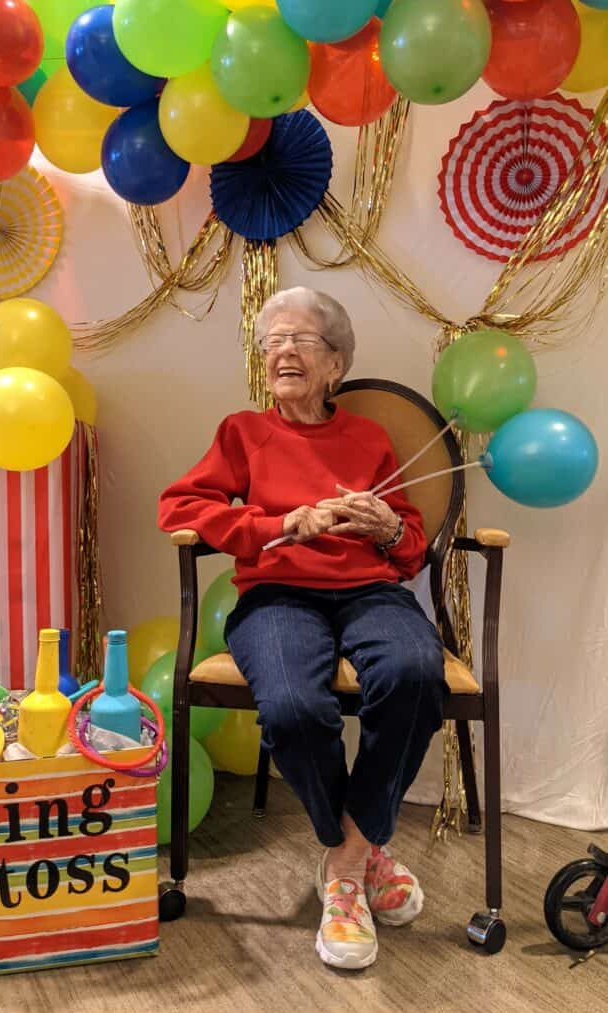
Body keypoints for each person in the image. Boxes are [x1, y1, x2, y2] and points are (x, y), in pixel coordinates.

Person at [158, 286, 448, 971]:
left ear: (335, 364)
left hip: (369, 592)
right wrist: (279, 524)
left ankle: (343, 870)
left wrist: (386, 526)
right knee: (291, 707)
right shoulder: (243, 432)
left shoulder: (369, 439)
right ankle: (360, 852)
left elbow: (407, 546)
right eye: (272, 342)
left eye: (301, 341)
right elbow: (181, 506)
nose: (282, 352)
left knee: (412, 670)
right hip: (277, 596)